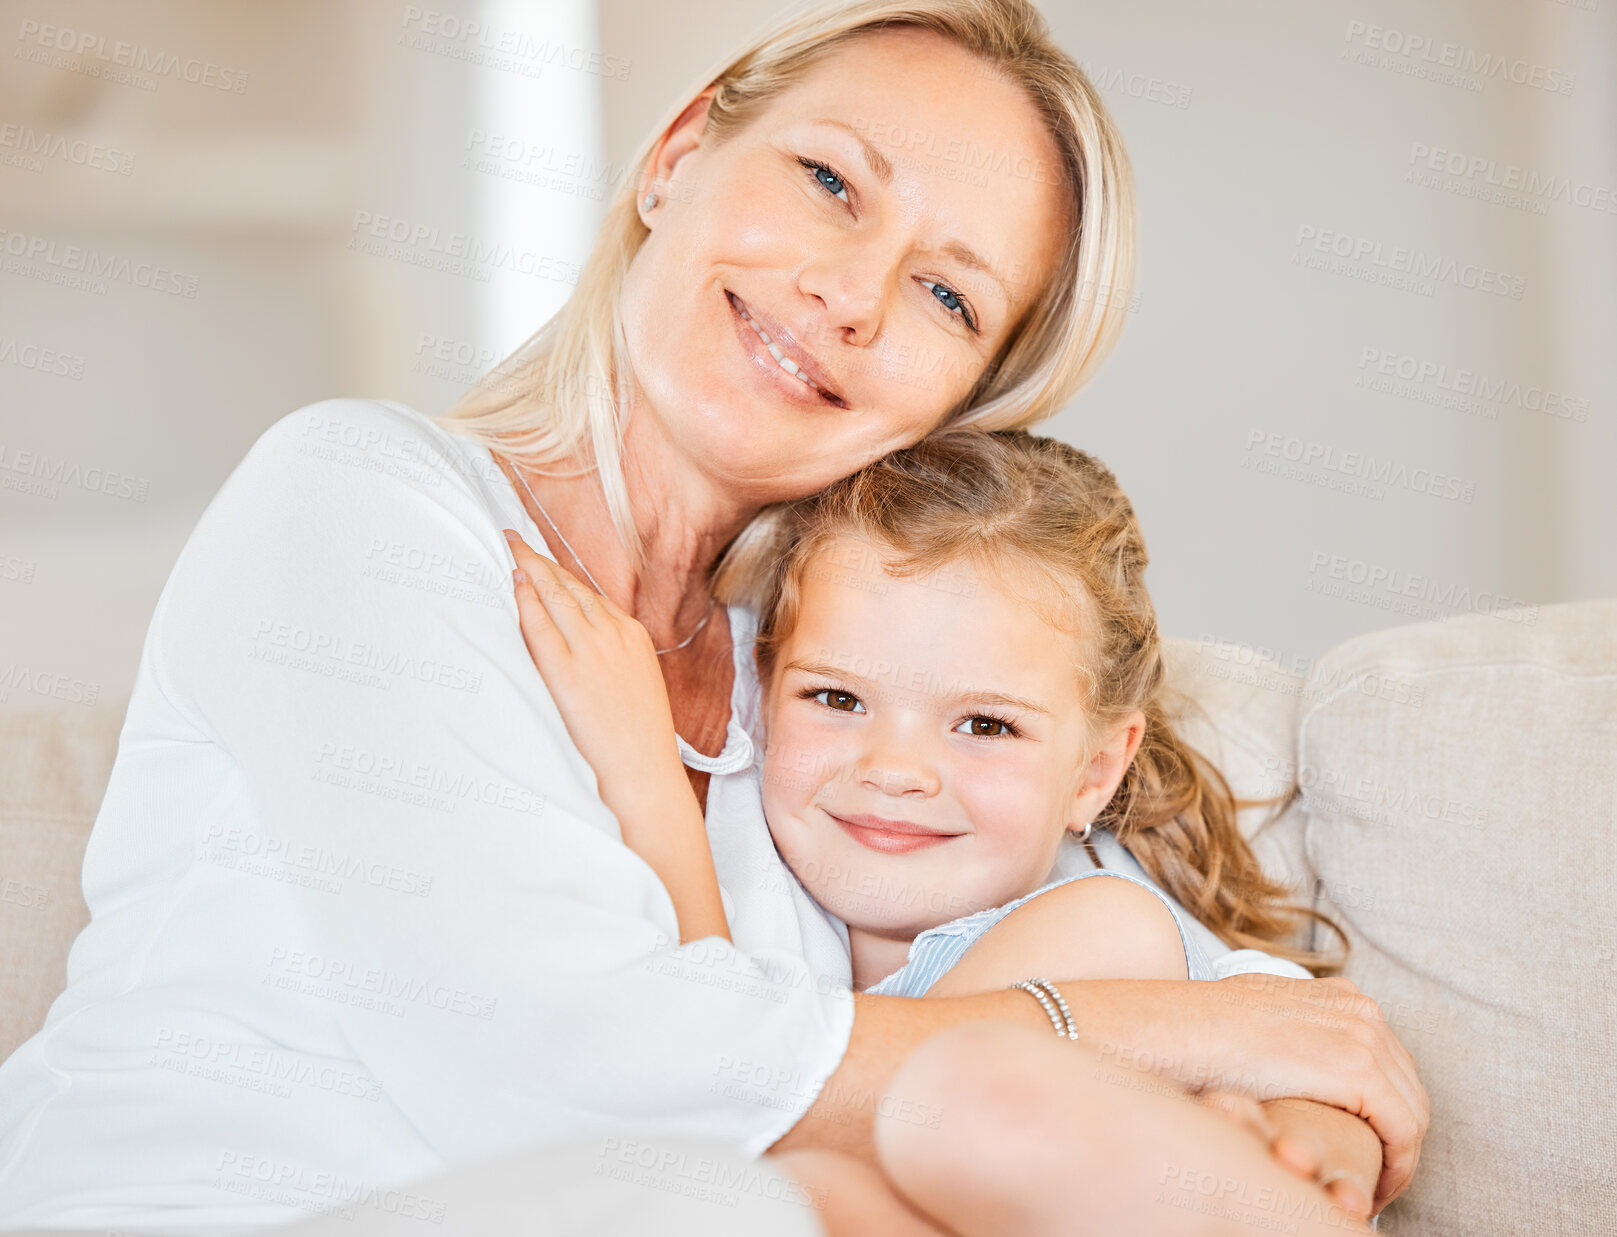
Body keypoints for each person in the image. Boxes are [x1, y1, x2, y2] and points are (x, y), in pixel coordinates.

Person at [0, 1, 1425, 1231]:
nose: (851, 296)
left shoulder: (827, 684)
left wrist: (1298, 1079)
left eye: (944, 292)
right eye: (829, 181)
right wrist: (1166, 1034)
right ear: (679, 156)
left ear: (954, 406)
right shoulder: (360, 503)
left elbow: (1150, 936)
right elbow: (561, 1069)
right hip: (214, 1213)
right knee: (758, 1205)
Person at [504, 429, 1388, 1233]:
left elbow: (1317, 1052)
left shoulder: (1105, 907)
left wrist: (1310, 1146)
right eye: (837, 699)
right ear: (762, 700)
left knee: (1003, 1044)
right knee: (813, 1187)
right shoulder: (772, 921)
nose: (896, 769)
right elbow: (726, 1076)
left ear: (1093, 771)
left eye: (984, 725)